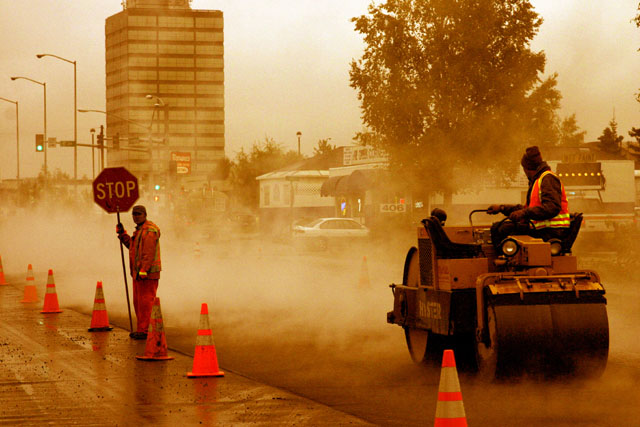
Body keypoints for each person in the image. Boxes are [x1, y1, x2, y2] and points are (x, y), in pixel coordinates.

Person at [487, 146, 570, 249]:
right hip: (541, 229)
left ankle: (504, 259)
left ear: (528, 168)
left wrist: (524, 213)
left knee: (503, 229)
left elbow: (552, 207)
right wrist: (502, 208)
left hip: (552, 231)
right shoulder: (539, 180)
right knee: (497, 227)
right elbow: (528, 209)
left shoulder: (547, 179)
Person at [116, 205, 162, 340]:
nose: (136, 216)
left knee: (145, 303)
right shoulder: (140, 231)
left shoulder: (148, 231)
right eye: (134, 214)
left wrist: (143, 271)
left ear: (145, 215)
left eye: (139, 214)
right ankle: (142, 328)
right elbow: (132, 247)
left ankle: (145, 330)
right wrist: (122, 234)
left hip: (146, 275)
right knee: (139, 303)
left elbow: (148, 253)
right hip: (138, 274)